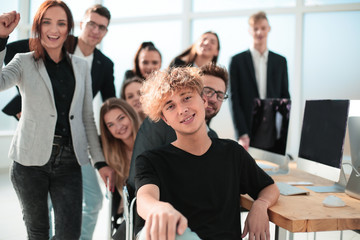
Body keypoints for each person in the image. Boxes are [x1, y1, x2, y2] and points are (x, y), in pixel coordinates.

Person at [0, 2, 114, 239]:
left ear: (68, 28)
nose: (54, 29)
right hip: (29, 162)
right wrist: (1, 37)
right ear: (38, 27)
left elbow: (87, 118)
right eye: (47, 22)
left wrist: (100, 162)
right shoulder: (23, 61)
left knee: (69, 233)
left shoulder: (81, 67)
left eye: (61, 23)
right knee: (39, 232)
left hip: (69, 161)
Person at [135, 67, 279, 239]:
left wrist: (260, 206)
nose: (182, 110)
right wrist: (158, 208)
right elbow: (145, 198)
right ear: (165, 119)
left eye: (187, 98)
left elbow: (268, 187)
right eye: (171, 106)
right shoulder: (151, 160)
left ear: (203, 100)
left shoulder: (232, 153)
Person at [127, 63, 229, 237]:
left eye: (220, 95)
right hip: (159, 225)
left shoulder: (215, 139)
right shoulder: (161, 125)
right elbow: (138, 183)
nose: (212, 99)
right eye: (208, 91)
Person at [229, 11, 290, 151]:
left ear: (269, 29)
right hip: (246, 131)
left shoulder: (280, 61)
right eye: (255, 28)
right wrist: (241, 132)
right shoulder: (237, 61)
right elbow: (234, 100)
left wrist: (282, 130)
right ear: (250, 31)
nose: (259, 32)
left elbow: (285, 96)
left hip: (273, 131)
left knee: (273, 171)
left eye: (263, 28)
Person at [100, 98, 140, 231]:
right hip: (129, 216)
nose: (118, 127)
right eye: (110, 125)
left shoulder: (148, 140)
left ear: (130, 114)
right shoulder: (112, 155)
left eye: (121, 118)